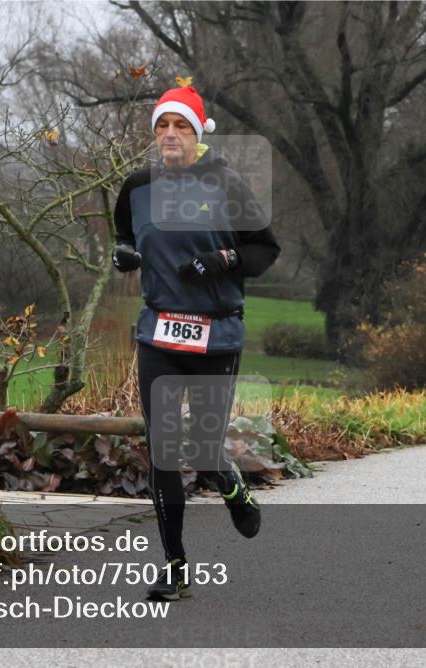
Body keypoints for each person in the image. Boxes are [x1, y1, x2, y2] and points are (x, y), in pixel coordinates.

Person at [112, 85, 281, 601]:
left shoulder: (226, 184)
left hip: (215, 334)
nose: (169, 135)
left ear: (197, 133)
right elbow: (124, 234)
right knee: (163, 453)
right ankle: (176, 567)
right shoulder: (137, 187)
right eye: (162, 125)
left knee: (206, 454)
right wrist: (123, 255)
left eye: (180, 126)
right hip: (159, 332)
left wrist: (225, 259)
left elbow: (263, 250)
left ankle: (232, 490)